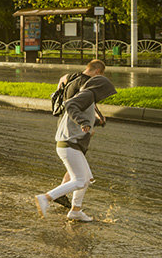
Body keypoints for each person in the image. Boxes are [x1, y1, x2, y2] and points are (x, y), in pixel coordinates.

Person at [36, 59, 116, 222]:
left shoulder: (75, 80)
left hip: (71, 140)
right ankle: (46, 198)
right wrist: (85, 123)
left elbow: (63, 81)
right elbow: (71, 105)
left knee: (86, 178)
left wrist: (95, 122)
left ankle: (75, 210)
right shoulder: (88, 94)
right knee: (80, 180)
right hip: (69, 142)